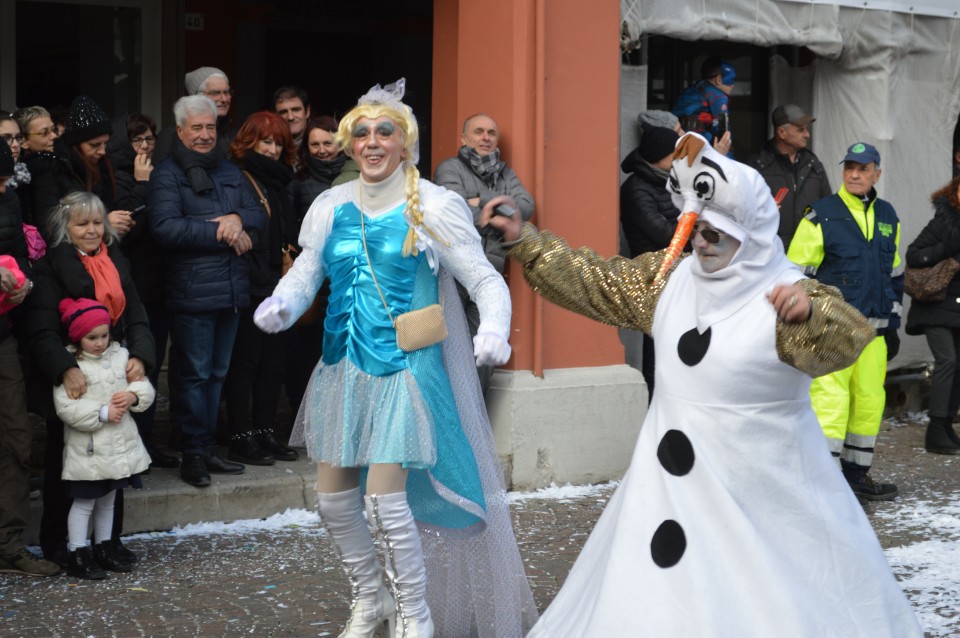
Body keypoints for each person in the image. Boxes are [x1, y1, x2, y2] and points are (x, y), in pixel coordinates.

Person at [486, 132, 922, 637]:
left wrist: (809, 315)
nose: (701, 243)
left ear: (751, 235)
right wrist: (527, 241)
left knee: (769, 598)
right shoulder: (672, 279)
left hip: (760, 489)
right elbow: (598, 282)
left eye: (717, 233)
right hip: (669, 489)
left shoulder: (784, 289)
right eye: (697, 229)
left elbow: (846, 335)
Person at [254, 79, 536, 638]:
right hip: (342, 368)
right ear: (348, 144)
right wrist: (281, 304)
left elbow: (483, 278)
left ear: (405, 143)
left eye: (385, 132)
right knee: (335, 503)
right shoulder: (331, 204)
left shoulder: (433, 204)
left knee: (384, 501)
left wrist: (496, 330)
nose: (373, 142)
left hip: (407, 370)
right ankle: (371, 599)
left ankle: (415, 614)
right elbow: (308, 271)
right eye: (361, 133)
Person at [24, 191, 154, 568]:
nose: (92, 230)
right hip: (74, 380)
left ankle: (107, 542)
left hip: (112, 372)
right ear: (66, 228)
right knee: (65, 464)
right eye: (82, 223)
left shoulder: (115, 259)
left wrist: (142, 358)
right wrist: (64, 368)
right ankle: (59, 543)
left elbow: (139, 314)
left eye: (98, 222)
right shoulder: (51, 266)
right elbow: (41, 328)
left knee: (117, 462)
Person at [149, 95, 265, 488]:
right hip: (192, 289)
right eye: (196, 128)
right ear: (180, 131)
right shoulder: (167, 174)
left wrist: (235, 219)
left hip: (232, 288)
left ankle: (209, 447)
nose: (203, 135)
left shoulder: (231, 171)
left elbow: (257, 215)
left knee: (217, 373)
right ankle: (193, 452)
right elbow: (165, 227)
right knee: (193, 374)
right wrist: (222, 230)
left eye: (210, 128)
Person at [787, 142, 903, 503]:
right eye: (850, 167)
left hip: (875, 332)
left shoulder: (888, 216)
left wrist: (893, 321)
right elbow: (795, 274)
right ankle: (824, 479)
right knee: (830, 401)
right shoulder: (820, 215)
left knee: (869, 401)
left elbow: (895, 273)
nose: (854, 174)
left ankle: (855, 476)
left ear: (876, 174)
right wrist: (804, 323)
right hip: (833, 330)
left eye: (863, 168)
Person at [53, 297, 154, 580]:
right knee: (84, 502)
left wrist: (134, 396)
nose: (99, 343)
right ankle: (77, 552)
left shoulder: (121, 356)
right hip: (89, 450)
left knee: (109, 499)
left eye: (104, 336)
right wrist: (101, 412)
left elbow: (143, 385)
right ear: (77, 337)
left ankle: (104, 546)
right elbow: (66, 408)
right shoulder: (72, 367)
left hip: (118, 446)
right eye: (91, 337)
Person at [433, 112, 534, 393]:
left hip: (489, 273)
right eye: (479, 132)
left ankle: (475, 418)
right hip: (453, 273)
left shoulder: (505, 172)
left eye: (491, 133)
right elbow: (454, 213)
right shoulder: (449, 168)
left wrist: (482, 202)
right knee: (448, 349)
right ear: (464, 138)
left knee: (483, 355)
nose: (486, 138)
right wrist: (498, 214)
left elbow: (525, 206)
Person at [224, 111, 299, 466]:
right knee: (246, 362)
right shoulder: (237, 175)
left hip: (279, 283)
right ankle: (241, 435)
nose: (271, 149)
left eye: (278, 143)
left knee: (273, 362)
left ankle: (264, 430)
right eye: (265, 141)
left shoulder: (283, 180)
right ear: (249, 140)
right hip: (250, 282)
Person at [0, 139, 59, 578]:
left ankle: (9, 544)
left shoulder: (9, 200)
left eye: (6, 179)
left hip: (2, 335)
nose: (4, 188)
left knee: (16, 438)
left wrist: (24, 286)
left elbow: (22, 256)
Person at [106, 112, 178, 469]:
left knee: (150, 366)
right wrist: (142, 184)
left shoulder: (159, 174)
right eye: (138, 140)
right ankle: (128, 442)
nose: (146, 146)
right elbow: (124, 231)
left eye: (150, 139)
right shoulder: (115, 177)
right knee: (129, 369)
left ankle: (147, 441)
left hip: (159, 285)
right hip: (129, 290)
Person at [619, 124, 681, 399]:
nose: (680, 158)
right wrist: (694, 220)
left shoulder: (671, 182)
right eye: (674, 153)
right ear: (659, 156)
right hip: (653, 276)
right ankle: (655, 402)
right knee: (658, 346)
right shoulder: (635, 189)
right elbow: (665, 234)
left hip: (677, 273)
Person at [26, 95, 136, 243]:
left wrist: (120, 224)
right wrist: (105, 226)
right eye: (94, 145)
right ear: (76, 145)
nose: (102, 151)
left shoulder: (102, 167)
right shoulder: (50, 170)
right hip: (68, 259)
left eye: (105, 144)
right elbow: (49, 229)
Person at [904, 174, 960, 454]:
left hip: (957, 306)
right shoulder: (945, 221)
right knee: (947, 359)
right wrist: (947, 249)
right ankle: (935, 430)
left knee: (957, 363)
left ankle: (946, 425)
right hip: (935, 304)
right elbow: (913, 255)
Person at [747, 104, 832, 250]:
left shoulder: (813, 164)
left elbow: (829, 210)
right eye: (801, 130)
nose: (807, 134)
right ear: (781, 132)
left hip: (809, 256)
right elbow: (744, 216)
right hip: (770, 255)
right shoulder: (756, 167)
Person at [672, 57, 734, 154]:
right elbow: (724, 134)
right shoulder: (718, 97)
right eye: (730, 80)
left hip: (676, 139)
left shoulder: (692, 89)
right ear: (718, 79)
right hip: (699, 145)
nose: (733, 85)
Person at [12, 106, 59, 226]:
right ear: (23, 142)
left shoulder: (59, 162)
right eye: (44, 133)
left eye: (54, 129)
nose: (54, 136)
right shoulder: (24, 176)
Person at [272, 86, 311, 150]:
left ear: (307, 112)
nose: (290, 117)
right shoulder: (271, 145)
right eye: (283, 112)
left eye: (296, 110)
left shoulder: (322, 141)